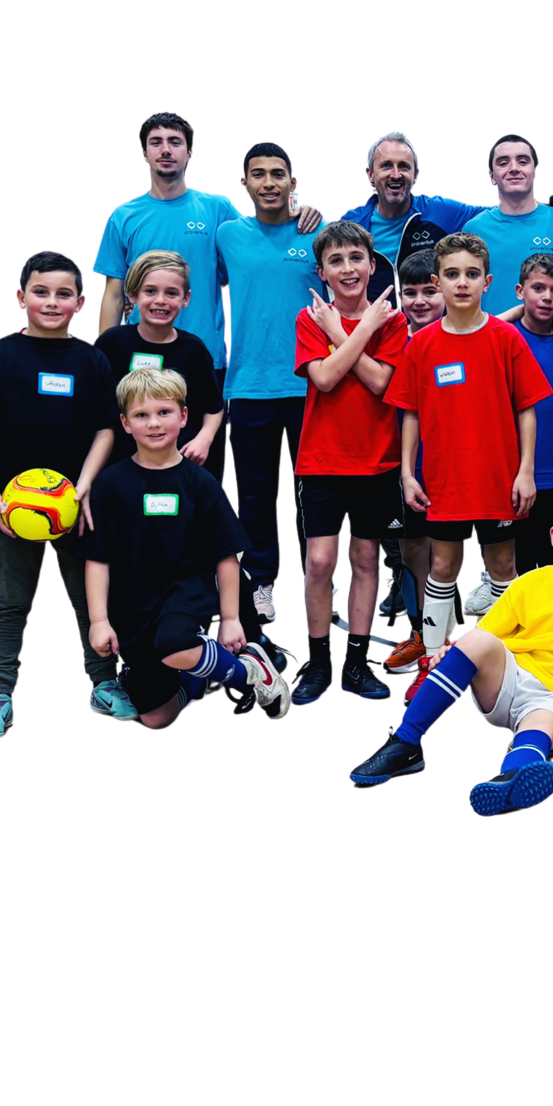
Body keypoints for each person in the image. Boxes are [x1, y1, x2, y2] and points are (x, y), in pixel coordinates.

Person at [348, 487, 553, 812]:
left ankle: (513, 778)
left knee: (541, 726)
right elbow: (486, 637)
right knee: (476, 639)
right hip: (508, 682)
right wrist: (453, 653)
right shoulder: (530, 584)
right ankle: (405, 743)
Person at [0, 249, 136, 740]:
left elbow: (108, 428)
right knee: (9, 601)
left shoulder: (92, 359)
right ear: (20, 298)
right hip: (13, 508)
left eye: (64, 294)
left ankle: (104, 682)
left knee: (90, 599)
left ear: (81, 303)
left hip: (78, 506)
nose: (52, 302)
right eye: (40, 292)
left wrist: (83, 488)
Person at [83, 377, 292, 729]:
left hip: (187, 590)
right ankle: (208, 674)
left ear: (183, 417)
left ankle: (247, 673)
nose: (153, 423)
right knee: (155, 716)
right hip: (134, 602)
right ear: (125, 423)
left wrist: (230, 619)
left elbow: (227, 557)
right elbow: (97, 560)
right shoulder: (109, 485)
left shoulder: (200, 483)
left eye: (164, 412)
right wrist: (100, 621)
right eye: (141, 414)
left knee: (175, 643)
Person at [387, 231, 550, 648]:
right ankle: (435, 660)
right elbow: (410, 413)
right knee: (443, 565)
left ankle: (503, 657)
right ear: (438, 281)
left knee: (502, 564)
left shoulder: (506, 338)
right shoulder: (420, 345)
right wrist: (408, 474)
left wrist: (526, 471)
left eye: (472, 274)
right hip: (445, 480)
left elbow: (526, 408)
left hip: (498, 478)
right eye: (453, 274)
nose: (462, 283)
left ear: (487, 282)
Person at [290, 221, 409, 705]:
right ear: (322, 272)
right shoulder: (311, 318)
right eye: (336, 261)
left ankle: (357, 663)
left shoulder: (393, 320)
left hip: (377, 460)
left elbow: (383, 384)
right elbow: (323, 378)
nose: (347, 268)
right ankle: (318, 661)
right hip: (322, 459)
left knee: (365, 558)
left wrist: (339, 334)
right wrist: (350, 331)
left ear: (372, 264)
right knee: (319, 561)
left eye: (355, 258)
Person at [216, 139, 324, 621]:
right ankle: (261, 581)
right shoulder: (227, 236)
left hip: (312, 385)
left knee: (314, 491)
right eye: (258, 174)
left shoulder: (319, 234)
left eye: (278, 174)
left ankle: (315, 583)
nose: (268, 183)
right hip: (247, 386)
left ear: (293, 183)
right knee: (256, 493)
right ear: (246, 185)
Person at [92, 110, 244, 361]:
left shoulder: (219, 210)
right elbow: (114, 295)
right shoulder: (123, 216)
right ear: (145, 154)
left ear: (189, 154)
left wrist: (294, 213)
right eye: (156, 142)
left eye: (175, 142)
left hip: (205, 355)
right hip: (140, 357)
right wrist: (104, 359)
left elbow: (253, 259)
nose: (165, 150)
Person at [92, 250, 225, 471]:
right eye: (150, 291)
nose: (160, 301)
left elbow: (214, 407)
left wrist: (205, 439)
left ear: (186, 299)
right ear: (133, 295)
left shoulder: (194, 349)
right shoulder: (112, 343)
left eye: (171, 293)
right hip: (120, 462)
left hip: (179, 462)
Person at [379, 250, 447, 675]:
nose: (420, 301)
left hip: (450, 464)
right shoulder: (390, 336)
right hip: (402, 465)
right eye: (411, 292)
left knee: (450, 554)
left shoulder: (463, 335)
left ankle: (447, 639)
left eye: (430, 291)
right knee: (411, 549)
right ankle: (422, 635)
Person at [504, 251, 553, 576]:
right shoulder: (504, 337)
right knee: (518, 566)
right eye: (538, 288)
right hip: (515, 473)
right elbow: (479, 329)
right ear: (520, 291)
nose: (547, 297)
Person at [454, 134, 553, 311]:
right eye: (503, 163)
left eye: (523, 161)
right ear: (492, 176)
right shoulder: (474, 229)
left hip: (549, 337)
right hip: (491, 337)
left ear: (535, 171)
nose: (513, 169)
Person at [332, 125, 477, 269]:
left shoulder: (441, 211)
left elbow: (496, 216)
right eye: (386, 166)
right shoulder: (351, 223)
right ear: (370, 175)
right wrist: (310, 215)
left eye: (403, 166)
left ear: (415, 175)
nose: (395, 175)